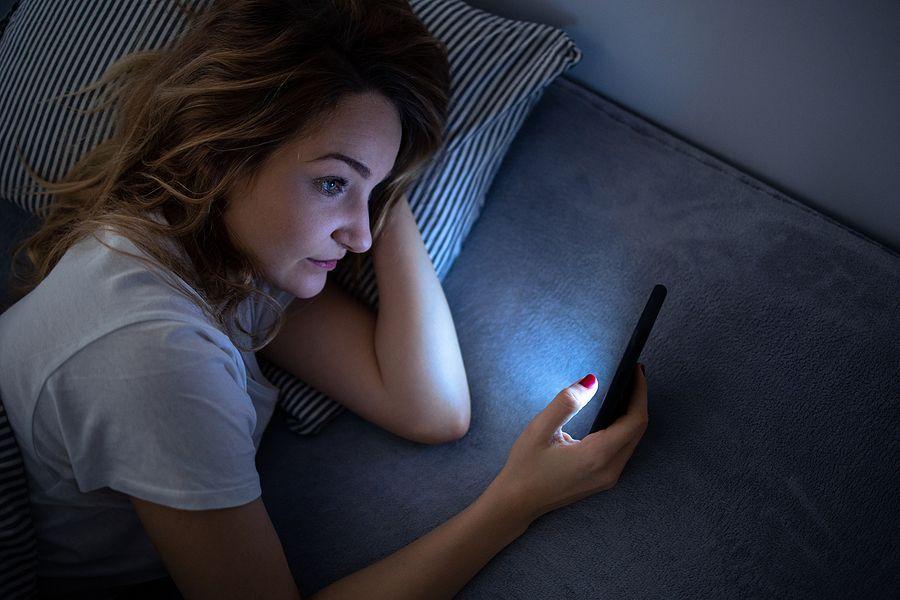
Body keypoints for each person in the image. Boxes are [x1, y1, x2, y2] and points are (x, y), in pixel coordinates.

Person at [0, 0, 649, 598]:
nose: (361, 236)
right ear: (227, 152)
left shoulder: (206, 248)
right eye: (330, 183)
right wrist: (516, 503)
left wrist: (370, 182)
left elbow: (429, 408)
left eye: (371, 197)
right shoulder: (153, 351)